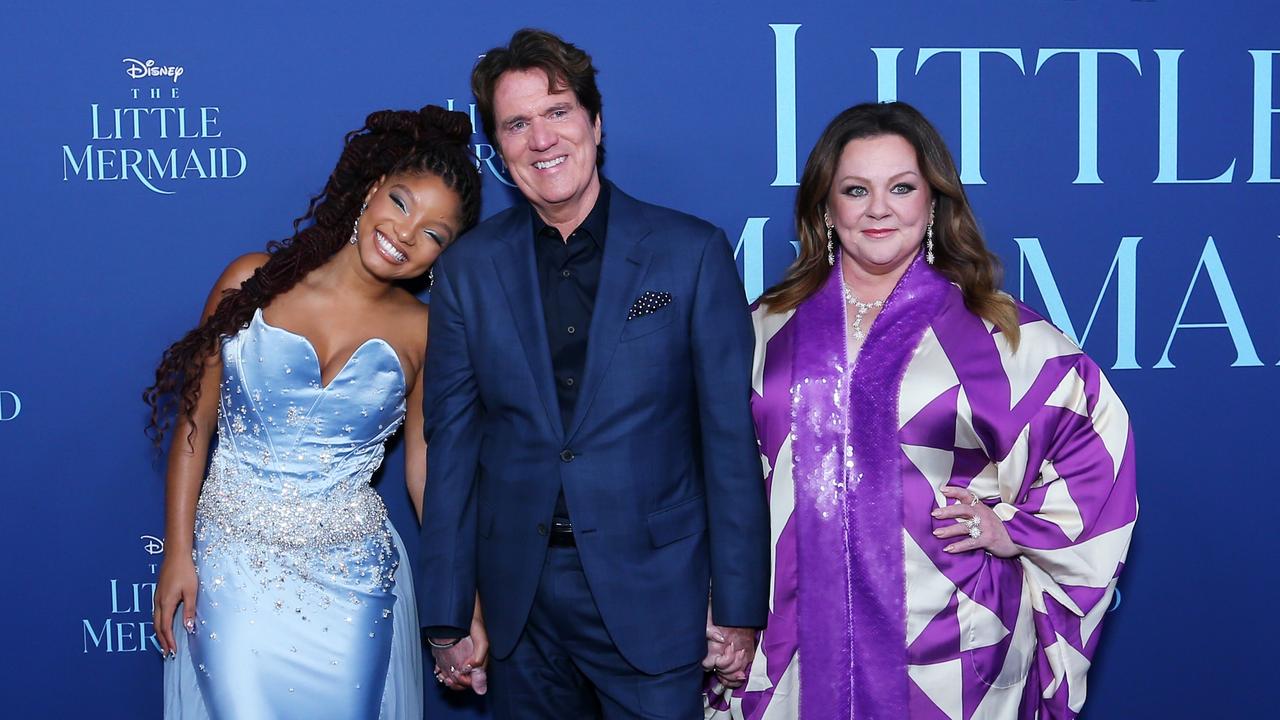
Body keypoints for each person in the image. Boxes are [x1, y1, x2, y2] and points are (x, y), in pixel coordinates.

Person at [706, 101, 1138, 720]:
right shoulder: (765, 329)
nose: (878, 208)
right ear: (826, 207)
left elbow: (1095, 444)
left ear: (933, 202)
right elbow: (716, 473)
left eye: (901, 187)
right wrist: (721, 604)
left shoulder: (997, 334)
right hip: (794, 643)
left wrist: (1013, 529)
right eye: (856, 190)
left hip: (951, 645)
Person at [417, 28, 770, 719]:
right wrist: (448, 616)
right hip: (521, 603)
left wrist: (737, 605)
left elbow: (728, 441)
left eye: (557, 113)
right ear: (497, 149)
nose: (541, 139)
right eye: (516, 124)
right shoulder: (467, 272)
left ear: (595, 123)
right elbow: (452, 449)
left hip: (656, 591)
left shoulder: (688, 253)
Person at [146, 105, 483, 719]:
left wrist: (466, 601)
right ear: (373, 186)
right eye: (403, 203)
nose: (407, 235)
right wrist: (177, 551)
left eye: (435, 234)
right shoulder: (250, 282)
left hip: (354, 583)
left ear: (445, 255)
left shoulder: (428, 331)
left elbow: (425, 473)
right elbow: (195, 424)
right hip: (231, 569)